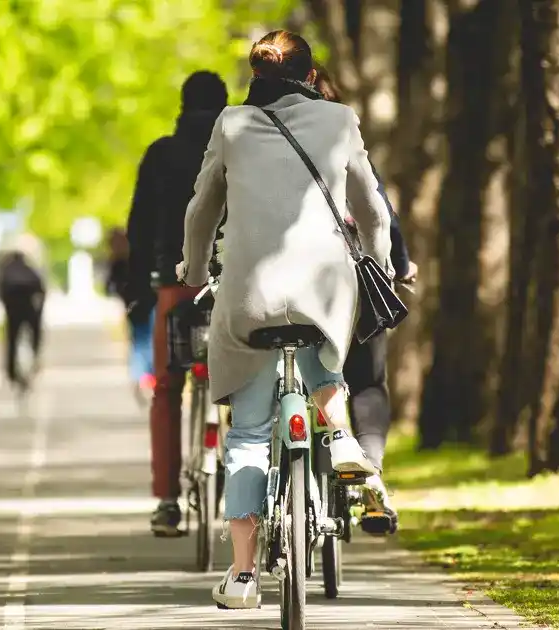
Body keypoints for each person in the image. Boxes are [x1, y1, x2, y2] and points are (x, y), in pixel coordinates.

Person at [175, 30, 391, 608]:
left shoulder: (231, 124)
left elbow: (202, 208)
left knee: (247, 435)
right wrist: (383, 265)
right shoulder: (340, 120)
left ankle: (244, 575)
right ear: (310, 74)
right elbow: (372, 210)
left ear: (255, 75)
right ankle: (340, 437)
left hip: (251, 292)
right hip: (325, 288)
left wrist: (193, 269)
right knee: (326, 352)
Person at [123, 70, 230, 536]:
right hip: (231, 283)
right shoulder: (240, 148)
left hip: (175, 283)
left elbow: (139, 225)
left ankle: (167, 500)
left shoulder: (161, 154)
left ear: (182, 105)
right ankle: (248, 489)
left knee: (167, 390)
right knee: (248, 390)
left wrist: (136, 289)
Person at [313, 64, 417, 531]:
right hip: (354, 276)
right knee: (368, 381)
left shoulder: (260, 139)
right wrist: (398, 265)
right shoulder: (343, 137)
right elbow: (381, 213)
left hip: (286, 289)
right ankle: (371, 474)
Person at [105, 228, 156, 404]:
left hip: (134, 306)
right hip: (147, 303)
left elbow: (110, 287)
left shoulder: (117, 262)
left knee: (140, 341)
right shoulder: (139, 258)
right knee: (146, 341)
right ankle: (146, 377)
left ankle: (141, 377)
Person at [0, 246, 46, 392]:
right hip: (29, 307)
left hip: (13, 310)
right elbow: (41, 289)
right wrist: (39, 310)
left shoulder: (6, 272)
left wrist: (6, 306)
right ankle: (35, 356)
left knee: (12, 340)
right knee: (35, 334)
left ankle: (11, 372)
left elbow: (0, 292)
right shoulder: (29, 269)